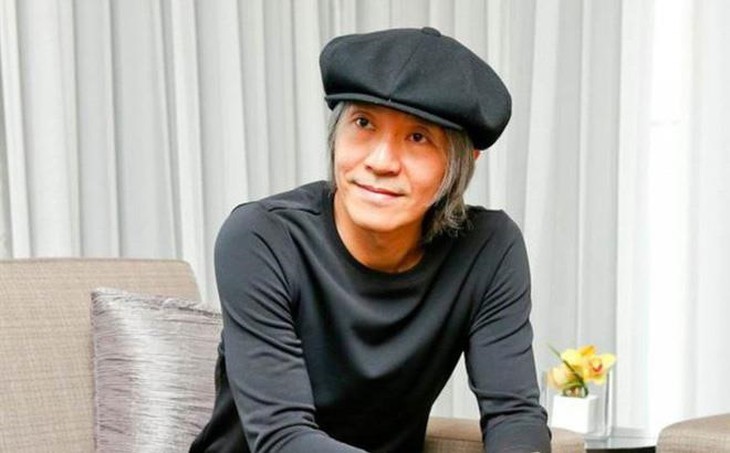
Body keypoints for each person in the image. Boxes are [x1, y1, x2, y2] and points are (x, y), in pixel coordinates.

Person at [190, 27, 550, 453]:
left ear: (464, 162)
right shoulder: (262, 237)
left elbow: (514, 415)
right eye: (363, 123)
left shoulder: (489, 248)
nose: (380, 162)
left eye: (418, 137)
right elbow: (283, 438)